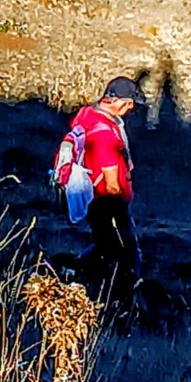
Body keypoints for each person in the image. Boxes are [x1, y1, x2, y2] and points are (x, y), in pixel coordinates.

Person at [60, 76, 146, 308]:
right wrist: (121, 207)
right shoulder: (105, 134)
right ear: (118, 101)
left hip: (93, 200)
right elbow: (111, 183)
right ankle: (118, 300)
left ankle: (75, 274)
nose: (130, 109)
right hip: (108, 202)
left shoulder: (88, 114)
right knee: (125, 254)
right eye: (129, 104)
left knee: (104, 246)